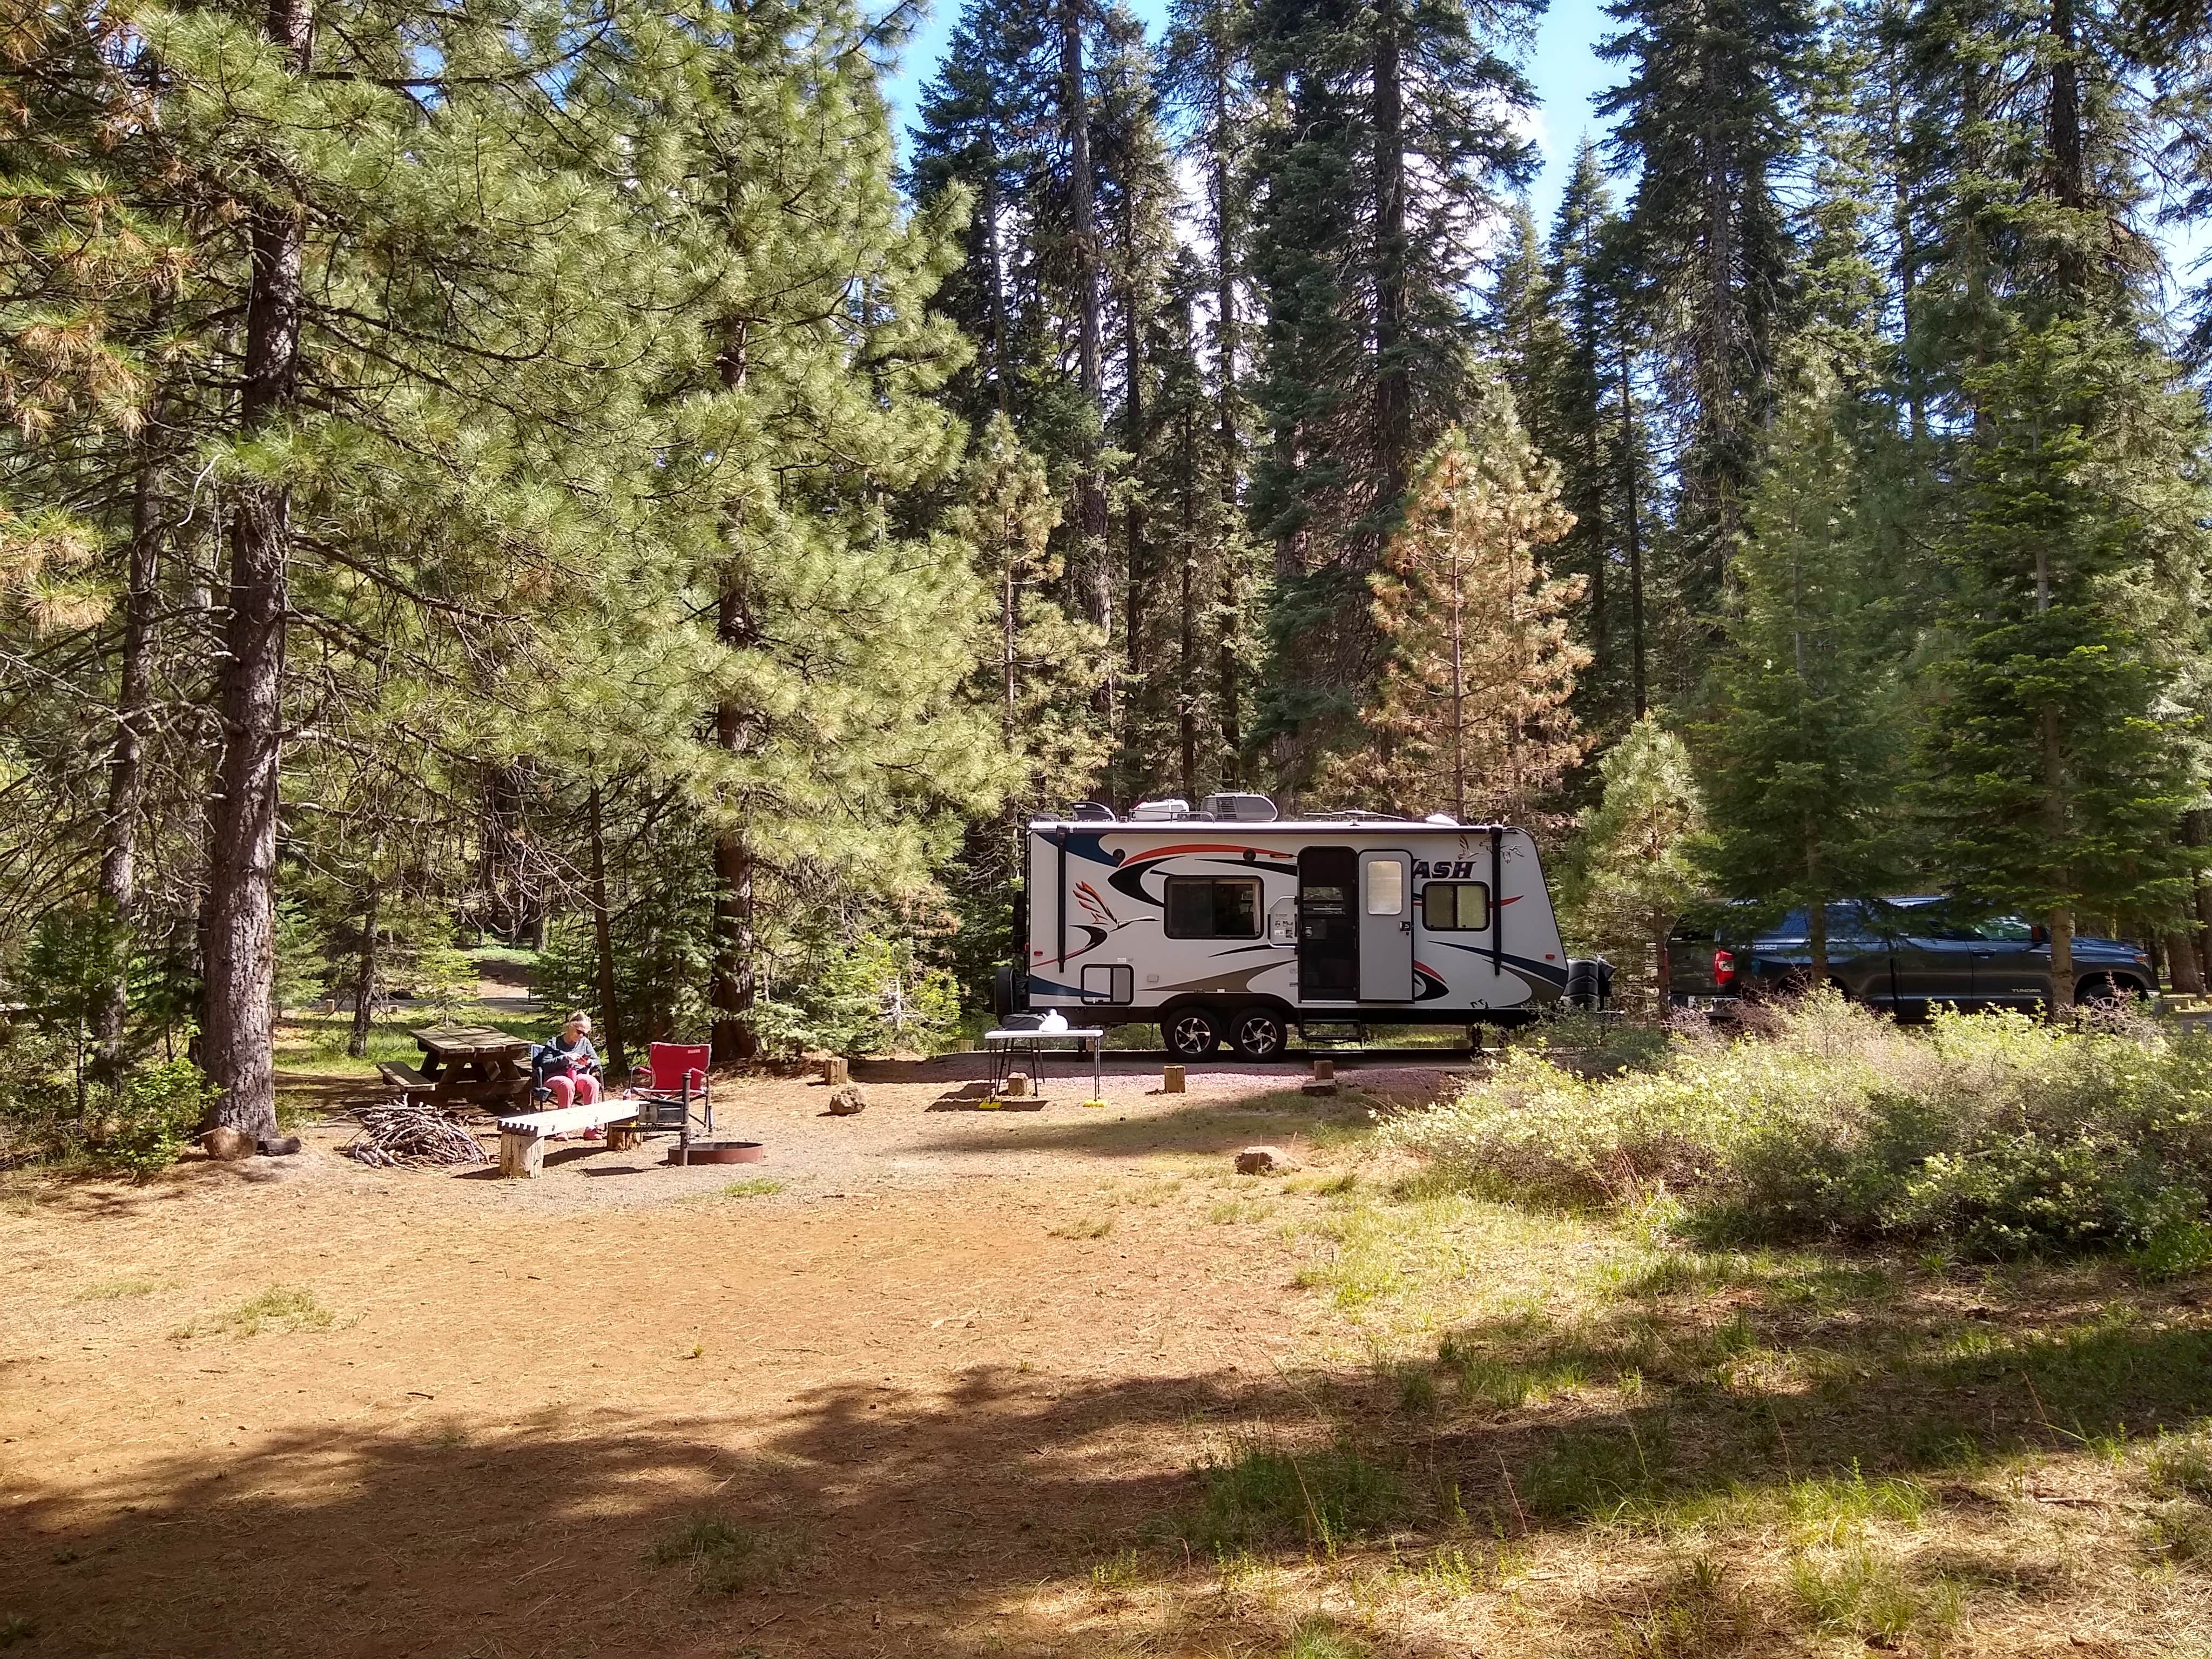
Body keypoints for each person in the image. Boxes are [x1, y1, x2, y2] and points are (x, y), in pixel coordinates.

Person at [533, 1011, 603, 1112]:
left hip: (579, 1074)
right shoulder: (554, 1043)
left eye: (584, 1034)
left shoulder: (585, 1042)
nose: (581, 1036)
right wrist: (566, 1058)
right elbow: (546, 1065)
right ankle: (564, 1122)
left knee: (592, 1083)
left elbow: (597, 1061)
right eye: (579, 1032)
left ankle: (590, 1123)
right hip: (556, 1076)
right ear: (570, 1026)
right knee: (567, 1084)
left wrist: (589, 1063)